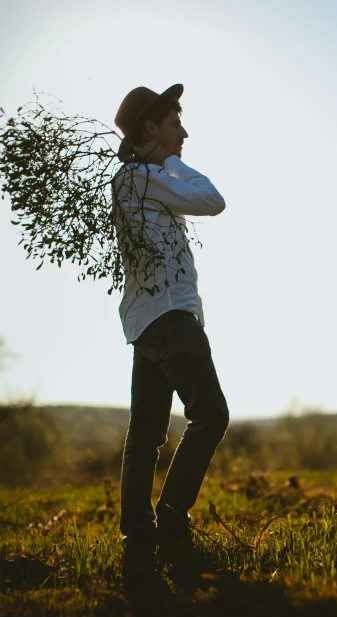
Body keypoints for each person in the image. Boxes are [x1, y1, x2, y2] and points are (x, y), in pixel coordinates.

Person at [112, 84, 229, 577]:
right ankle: (171, 521)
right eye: (174, 122)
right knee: (210, 416)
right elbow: (212, 200)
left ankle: (138, 538)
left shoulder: (132, 180)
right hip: (169, 317)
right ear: (150, 129)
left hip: (147, 322)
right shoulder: (141, 177)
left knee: (146, 435)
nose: (183, 131)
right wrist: (172, 162)